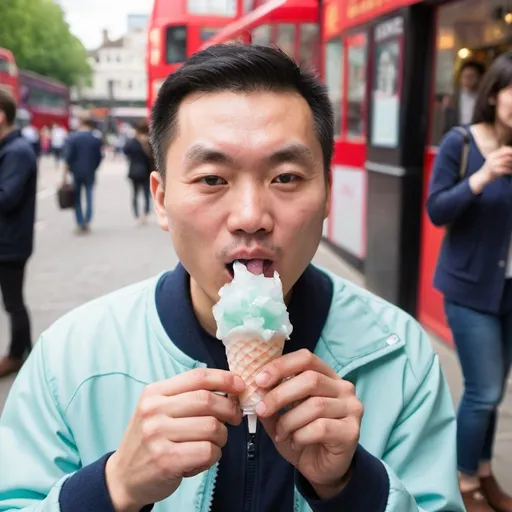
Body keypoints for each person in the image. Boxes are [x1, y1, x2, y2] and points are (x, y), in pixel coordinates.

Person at [0, 45, 464, 511]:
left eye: (285, 177)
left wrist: (353, 488)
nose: (250, 217)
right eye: (212, 179)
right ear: (160, 199)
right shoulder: (70, 358)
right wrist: (111, 489)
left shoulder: (398, 356)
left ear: (327, 194)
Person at [427, 52, 512, 512]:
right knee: (483, 391)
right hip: (469, 289)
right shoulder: (461, 142)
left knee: (495, 390)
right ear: (496, 93)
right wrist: (481, 177)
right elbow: (437, 209)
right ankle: (462, 482)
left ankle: (483, 471)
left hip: (508, 290)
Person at [0, 89, 37, 378]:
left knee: (13, 302)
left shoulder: (17, 152)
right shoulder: (10, 149)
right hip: (8, 240)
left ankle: (17, 354)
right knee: (13, 301)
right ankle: (23, 350)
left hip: (9, 242)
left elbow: (7, 198)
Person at [64, 116, 103, 234]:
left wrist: (66, 173)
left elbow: (68, 157)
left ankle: (80, 221)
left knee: (77, 198)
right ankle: (88, 219)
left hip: (76, 171)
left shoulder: (73, 138)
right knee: (89, 195)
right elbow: (99, 157)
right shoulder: (95, 139)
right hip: (90, 171)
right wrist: (94, 168)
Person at [123, 121, 154, 224]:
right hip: (145, 171)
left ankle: (137, 214)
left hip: (134, 171)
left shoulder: (134, 141)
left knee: (136, 194)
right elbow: (153, 157)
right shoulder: (149, 142)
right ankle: (145, 213)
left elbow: (125, 151)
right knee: (145, 193)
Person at [443, 60, 485, 134]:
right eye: (464, 76)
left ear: (479, 78)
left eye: (471, 76)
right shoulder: (452, 98)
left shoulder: (483, 97)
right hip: (457, 134)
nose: (467, 80)